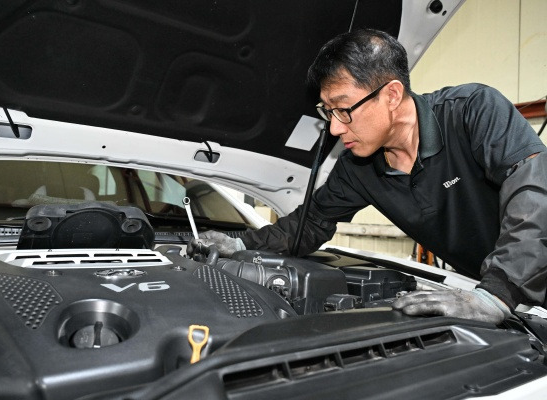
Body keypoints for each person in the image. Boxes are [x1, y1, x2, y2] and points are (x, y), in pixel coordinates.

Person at [188, 29, 547, 324]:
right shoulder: (357, 167)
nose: (332, 126)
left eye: (343, 109)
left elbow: (534, 193)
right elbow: (308, 225)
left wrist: (497, 294)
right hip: (505, 297)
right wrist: (241, 245)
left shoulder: (473, 112)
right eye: (327, 111)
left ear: (391, 94)